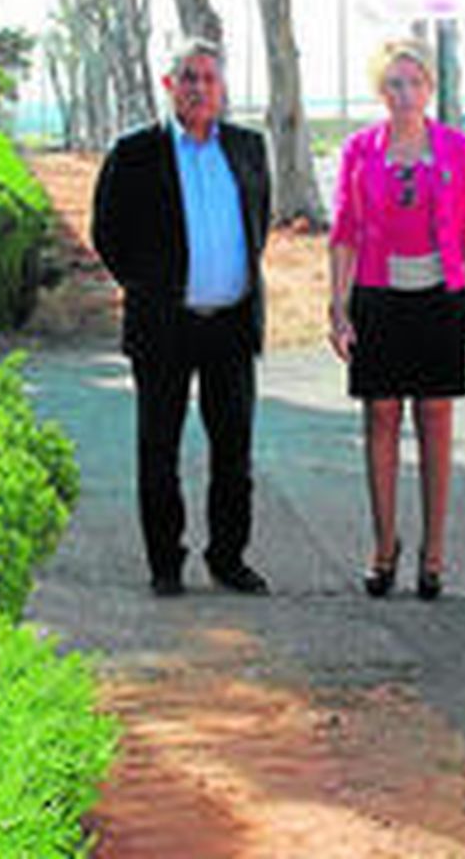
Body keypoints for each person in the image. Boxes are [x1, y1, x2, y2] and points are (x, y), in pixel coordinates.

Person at [91, 38, 272, 598]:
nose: (199, 87)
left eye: (209, 78)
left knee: (234, 453)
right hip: (163, 326)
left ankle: (228, 558)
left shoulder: (247, 147)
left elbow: (257, 221)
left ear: (222, 88)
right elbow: (107, 234)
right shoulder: (135, 152)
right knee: (159, 451)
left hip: (232, 325)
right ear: (169, 86)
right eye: (188, 77)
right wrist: (151, 288)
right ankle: (165, 564)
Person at [327, 39, 465, 600]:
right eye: (394, 84)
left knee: (435, 418)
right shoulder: (359, 150)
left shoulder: (456, 148)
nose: (405, 94)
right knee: (380, 416)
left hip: (438, 297)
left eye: (415, 83)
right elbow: (344, 234)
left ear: (430, 89)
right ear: (382, 91)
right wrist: (339, 308)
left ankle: (433, 553)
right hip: (378, 295)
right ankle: (383, 546)